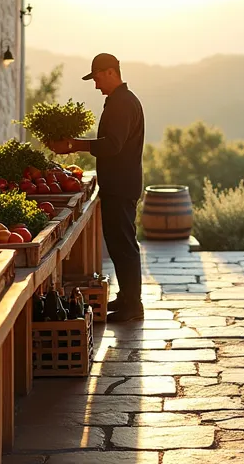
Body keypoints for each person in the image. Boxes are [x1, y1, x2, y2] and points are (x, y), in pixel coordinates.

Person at [47, 53, 147, 321]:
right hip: (119, 183)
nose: (96, 84)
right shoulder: (119, 101)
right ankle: (127, 298)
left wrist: (73, 144)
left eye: (98, 77)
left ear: (112, 72)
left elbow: (112, 144)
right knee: (118, 242)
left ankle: (132, 307)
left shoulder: (123, 104)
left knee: (124, 244)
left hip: (121, 185)